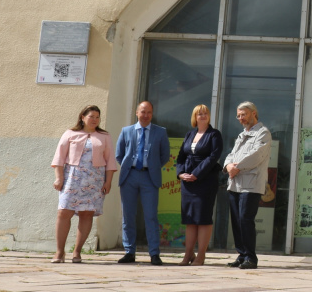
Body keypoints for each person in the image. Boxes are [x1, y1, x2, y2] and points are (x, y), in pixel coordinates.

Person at [50, 105, 118, 263]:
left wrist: (108, 181)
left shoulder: (104, 136)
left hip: (94, 179)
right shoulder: (70, 133)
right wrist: (59, 178)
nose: (94, 120)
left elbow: (110, 162)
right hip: (72, 178)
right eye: (91, 116)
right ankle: (59, 252)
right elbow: (59, 158)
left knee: (86, 214)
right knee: (64, 212)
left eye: (97, 117)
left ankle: (77, 251)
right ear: (82, 117)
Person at [116, 101, 171, 265]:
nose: (145, 115)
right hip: (129, 176)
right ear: (136, 112)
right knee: (128, 215)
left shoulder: (160, 132)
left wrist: (151, 167)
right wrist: (130, 167)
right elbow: (119, 155)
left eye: (149, 112)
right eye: (143, 112)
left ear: (152, 114)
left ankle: (154, 253)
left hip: (149, 177)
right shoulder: (126, 131)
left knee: (151, 216)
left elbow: (165, 156)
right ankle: (129, 251)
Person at [223, 102, 272, 270]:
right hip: (235, 183)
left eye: (243, 114)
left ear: (254, 113)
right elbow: (231, 154)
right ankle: (242, 254)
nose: (240, 118)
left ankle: (251, 257)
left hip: (251, 185)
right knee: (236, 221)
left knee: (245, 219)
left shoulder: (263, 133)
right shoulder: (241, 135)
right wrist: (228, 166)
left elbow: (257, 155)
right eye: (238, 115)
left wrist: (237, 167)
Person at [176, 104, 223, 266]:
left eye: (205, 113)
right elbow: (181, 156)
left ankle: (201, 255)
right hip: (188, 182)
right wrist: (181, 174)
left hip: (205, 181)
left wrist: (196, 174)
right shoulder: (190, 134)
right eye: (199, 114)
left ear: (209, 116)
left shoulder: (214, 135)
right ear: (194, 117)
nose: (202, 116)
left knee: (203, 219)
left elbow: (212, 157)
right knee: (190, 219)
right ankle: (188, 253)